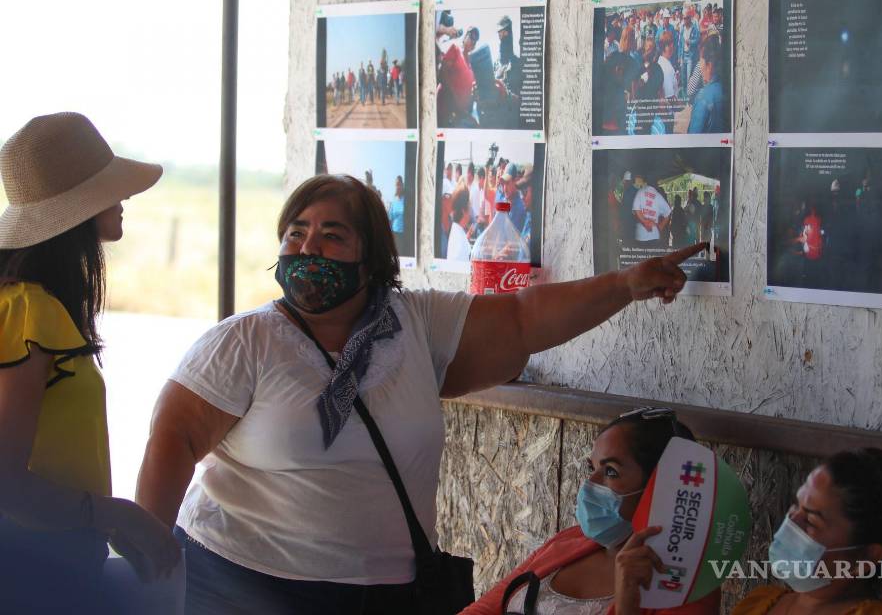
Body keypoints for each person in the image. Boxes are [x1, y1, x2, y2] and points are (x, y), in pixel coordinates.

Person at [135, 173, 707, 614]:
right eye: (296, 233)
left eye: (333, 235)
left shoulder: (415, 324)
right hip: (240, 587)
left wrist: (626, 284)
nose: (309, 248)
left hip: (385, 596)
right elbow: (173, 437)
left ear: (372, 256)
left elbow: (523, 318)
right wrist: (149, 560)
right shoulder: (245, 341)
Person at [0, 112, 182, 612]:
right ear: (76, 209)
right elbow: (5, 482)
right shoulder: (30, 309)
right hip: (31, 573)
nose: (123, 199)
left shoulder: (34, 304)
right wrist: (117, 515)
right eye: (110, 188)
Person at [461, 408, 721, 615]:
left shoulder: (684, 584)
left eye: (610, 471)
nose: (590, 484)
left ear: (658, 486)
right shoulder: (567, 542)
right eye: (591, 468)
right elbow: (484, 609)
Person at [732, 448, 882, 615]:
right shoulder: (757, 604)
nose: (792, 522)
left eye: (812, 520)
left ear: (865, 559)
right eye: (796, 505)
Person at [687, 37, 724, 134]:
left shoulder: (703, 97)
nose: (700, 66)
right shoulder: (725, 88)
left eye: (701, 61)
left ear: (710, 65)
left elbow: (694, 139)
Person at [632, 178, 672, 248]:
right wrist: (660, 226)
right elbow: (668, 212)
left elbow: (635, 210)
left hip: (640, 234)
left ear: (646, 183)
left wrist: (644, 221)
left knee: (641, 258)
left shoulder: (640, 192)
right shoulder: (659, 196)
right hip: (654, 234)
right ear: (656, 185)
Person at [447, 185, 472, 262]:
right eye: (469, 205)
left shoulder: (457, 231)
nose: (471, 210)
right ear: (464, 211)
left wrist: (465, 238)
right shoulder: (458, 240)